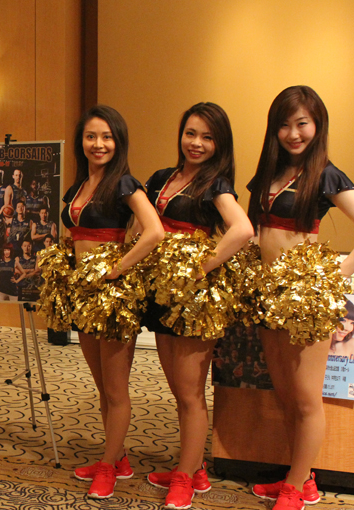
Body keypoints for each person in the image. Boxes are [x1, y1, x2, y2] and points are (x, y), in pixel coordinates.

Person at [247, 86, 354, 510]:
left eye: (302, 124)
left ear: (317, 125)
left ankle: (294, 488)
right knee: (286, 393)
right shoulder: (269, 173)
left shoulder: (327, 175)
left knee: (308, 398)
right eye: (284, 125)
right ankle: (302, 479)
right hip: (268, 296)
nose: (293, 134)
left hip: (304, 302)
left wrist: (335, 276)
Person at [143, 102, 253, 510]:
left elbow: (243, 229)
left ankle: (185, 477)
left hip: (193, 300)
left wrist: (198, 269)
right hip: (163, 294)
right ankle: (193, 466)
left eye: (208, 137)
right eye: (191, 133)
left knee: (190, 393)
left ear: (219, 144)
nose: (197, 143)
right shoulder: (163, 178)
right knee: (178, 389)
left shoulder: (216, 184)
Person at [62, 106, 164, 500]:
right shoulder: (79, 186)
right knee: (103, 386)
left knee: (117, 389)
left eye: (106, 137)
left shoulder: (124, 183)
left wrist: (117, 269)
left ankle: (108, 467)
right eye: (91, 136)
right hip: (84, 296)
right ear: (81, 141)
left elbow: (154, 231)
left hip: (113, 298)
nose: (98, 144)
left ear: (118, 141)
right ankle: (116, 457)